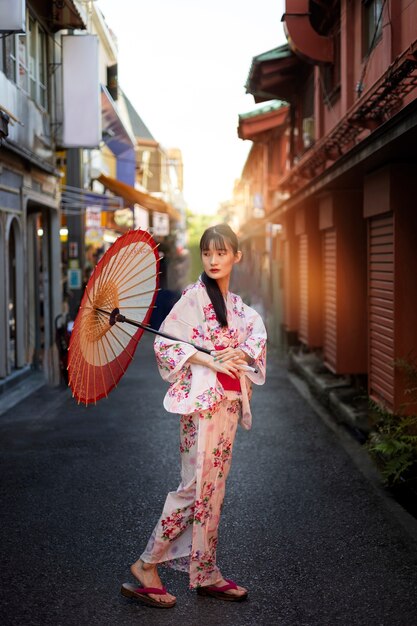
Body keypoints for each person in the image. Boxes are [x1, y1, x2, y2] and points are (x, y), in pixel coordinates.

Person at [121, 223, 267, 608]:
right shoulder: (192, 298)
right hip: (202, 407)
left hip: (228, 406)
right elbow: (167, 345)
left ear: (237, 255)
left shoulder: (237, 307)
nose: (214, 260)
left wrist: (242, 354)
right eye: (207, 253)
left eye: (221, 252)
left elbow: (256, 333)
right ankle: (146, 563)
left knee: (213, 490)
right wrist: (207, 356)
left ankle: (205, 571)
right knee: (194, 488)